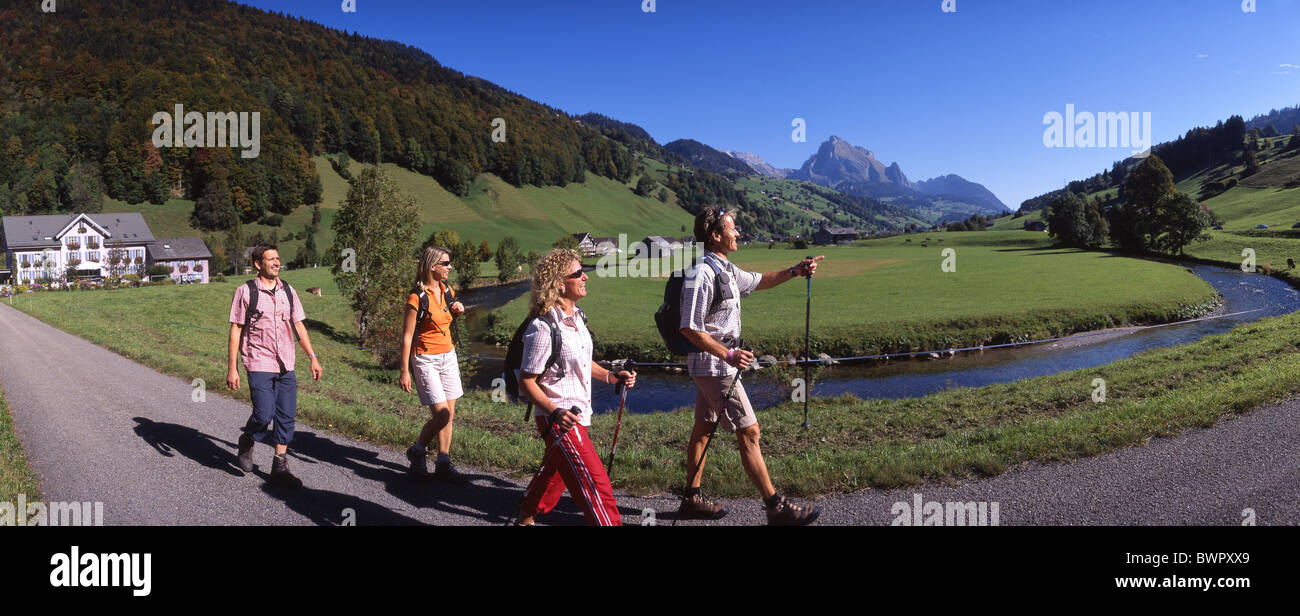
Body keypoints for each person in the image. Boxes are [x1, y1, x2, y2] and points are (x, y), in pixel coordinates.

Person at [678, 206, 824, 525]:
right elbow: (689, 327)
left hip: (715, 364)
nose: (738, 233)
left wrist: (795, 271)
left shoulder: (726, 269)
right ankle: (776, 507)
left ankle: (691, 499)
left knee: (703, 430)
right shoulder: (702, 273)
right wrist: (728, 356)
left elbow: (761, 281)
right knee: (750, 431)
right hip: (715, 366)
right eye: (732, 228)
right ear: (715, 236)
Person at [515, 248, 635, 526]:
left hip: (578, 414)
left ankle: (525, 518)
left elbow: (582, 361)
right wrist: (554, 412)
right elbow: (526, 381)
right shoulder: (543, 327)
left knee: (554, 475)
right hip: (559, 419)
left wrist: (612, 377)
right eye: (578, 273)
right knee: (596, 486)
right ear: (559, 283)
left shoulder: (578, 317)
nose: (586, 277)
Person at [227, 244, 323, 488]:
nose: (277, 263)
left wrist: (312, 356)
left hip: (285, 362)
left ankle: (279, 465)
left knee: (286, 416)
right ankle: (248, 439)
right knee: (263, 413)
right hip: (258, 360)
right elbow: (236, 329)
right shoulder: (246, 291)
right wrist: (232, 367)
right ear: (258, 264)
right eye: (271, 259)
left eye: (278, 258)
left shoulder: (288, 291)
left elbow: (299, 325)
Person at [399, 245, 468, 482]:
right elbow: (407, 336)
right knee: (442, 415)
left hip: (448, 356)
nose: (450, 267)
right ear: (432, 267)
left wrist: (458, 309)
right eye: (446, 263)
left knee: (450, 415)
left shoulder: (447, 290)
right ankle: (417, 450)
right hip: (425, 359)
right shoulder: (416, 297)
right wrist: (404, 371)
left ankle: (443, 462)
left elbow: (445, 318)